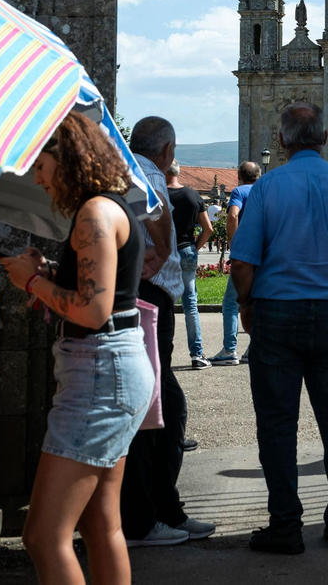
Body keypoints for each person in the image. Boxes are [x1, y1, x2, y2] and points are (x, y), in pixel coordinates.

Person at [0, 113, 147, 585]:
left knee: (43, 535)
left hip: (100, 374)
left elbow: (92, 310)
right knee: (101, 524)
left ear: (67, 161)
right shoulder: (108, 207)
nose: (38, 180)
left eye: (40, 167)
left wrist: (34, 281)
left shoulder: (94, 214)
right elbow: (105, 284)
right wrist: (56, 269)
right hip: (113, 368)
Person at [229, 102, 328, 554]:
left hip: (276, 315)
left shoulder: (267, 186)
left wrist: (246, 303)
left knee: (277, 425)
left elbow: (241, 261)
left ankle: (285, 526)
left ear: (281, 141)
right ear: (325, 137)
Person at [120, 118, 216, 547]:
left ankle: (162, 509)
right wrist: (160, 251)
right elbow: (156, 211)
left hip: (145, 294)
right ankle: (148, 516)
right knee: (158, 411)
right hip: (148, 296)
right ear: (167, 149)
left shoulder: (125, 167)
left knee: (161, 408)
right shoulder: (149, 173)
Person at [210, 161, 260, 364]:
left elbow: (232, 215)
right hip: (264, 255)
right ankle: (253, 347)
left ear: (239, 176)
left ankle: (230, 349)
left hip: (245, 254)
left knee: (231, 302)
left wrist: (233, 242)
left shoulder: (239, 192)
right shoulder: (266, 191)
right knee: (257, 301)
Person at [167, 161, 215, 369]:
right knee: (191, 306)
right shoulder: (192, 195)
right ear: (179, 172)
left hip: (165, 252)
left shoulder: (156, 195)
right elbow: (208, 228)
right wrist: (195, 247)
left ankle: (161, 353)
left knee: (164, 305)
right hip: (187, 248)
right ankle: (197, 355)